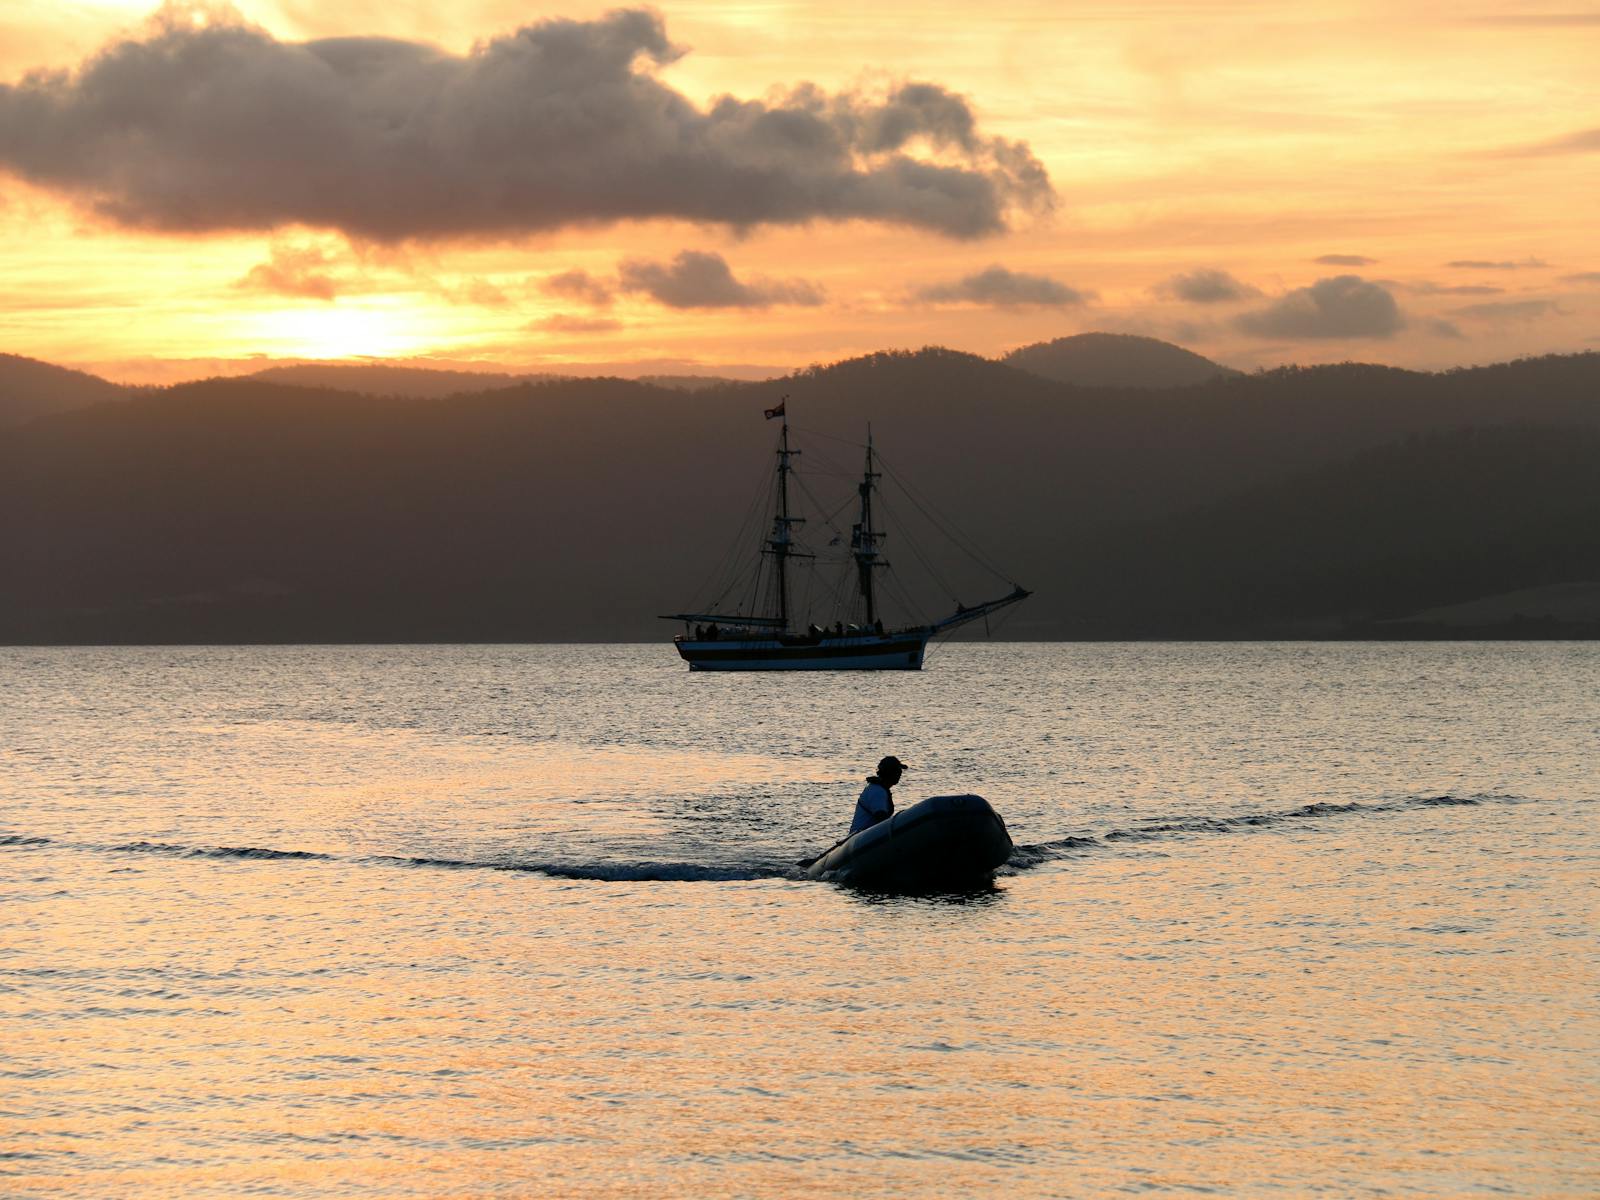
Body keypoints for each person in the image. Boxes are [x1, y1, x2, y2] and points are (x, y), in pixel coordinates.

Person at [849, 755, 906, 834]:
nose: (900, 773)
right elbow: (882, 819)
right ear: (889, 772)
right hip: (862, 838)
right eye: (897, 770)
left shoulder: (879, 788)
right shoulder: (878, 791)